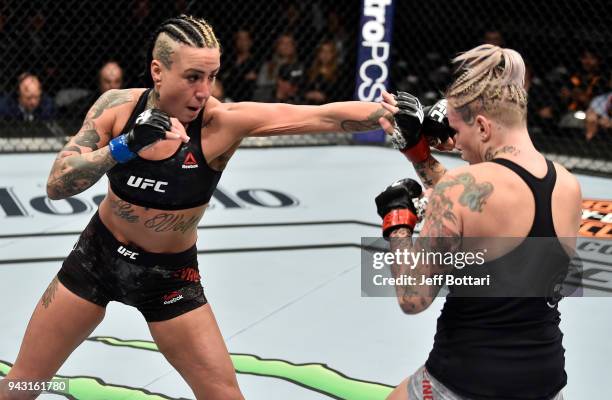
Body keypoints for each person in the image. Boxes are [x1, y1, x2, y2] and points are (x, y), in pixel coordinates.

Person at [0, 15, 392, 400]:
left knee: (223, 395)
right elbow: (57, 183)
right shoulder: (118, 109)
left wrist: (391, 114)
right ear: (158, 70)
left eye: (211, 76)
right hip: (96, 259)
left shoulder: (220, 123)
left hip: (169, 278)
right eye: (192, 77)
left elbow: (321, 116)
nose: (204, 91)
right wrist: (126, 145)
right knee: (24, 382)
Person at [375, 44, 582, 399]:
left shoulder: (459, 188)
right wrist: (419, 155)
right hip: (545, 382)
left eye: (458, 132)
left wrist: (398, 224)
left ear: (483, 127)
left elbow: (412, 298)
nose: (456, 145)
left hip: (464, 380)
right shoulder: (567, 184)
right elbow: (483, 204)